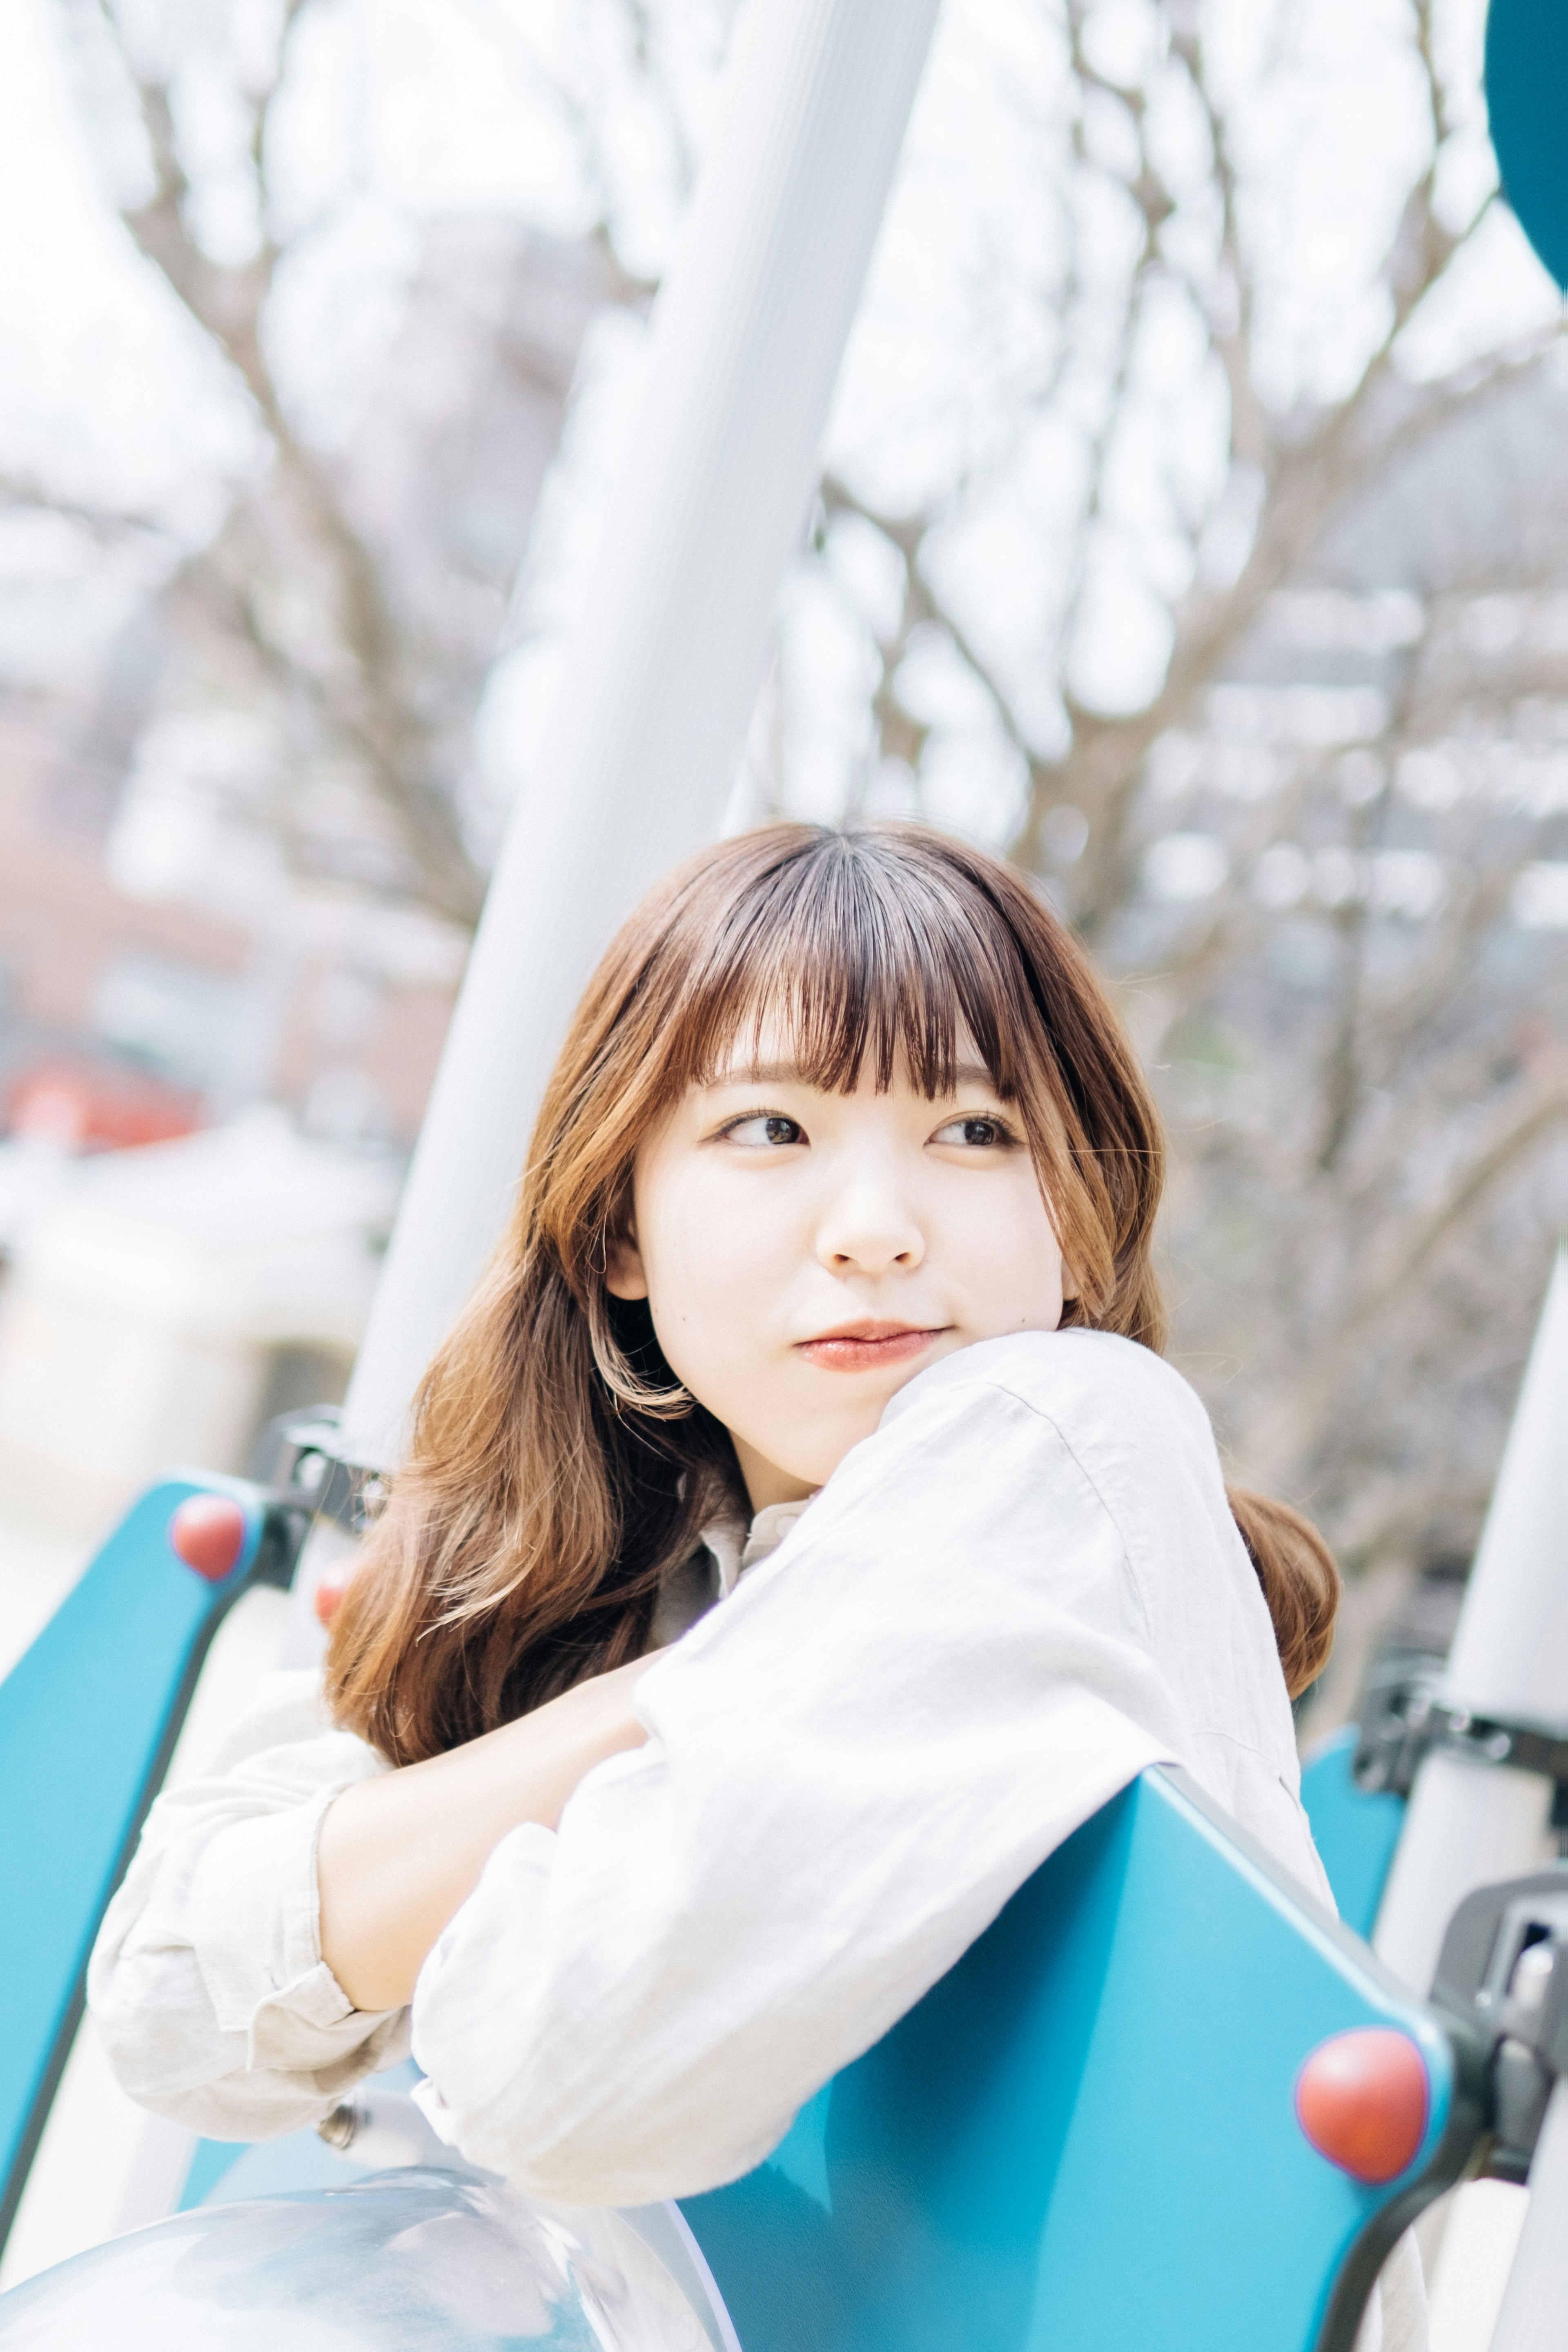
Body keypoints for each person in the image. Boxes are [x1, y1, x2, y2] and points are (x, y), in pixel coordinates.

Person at [89, 822, 1419, 2343]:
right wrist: (659, 1699)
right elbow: (169, 1993)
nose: (876, 1232)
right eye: (772, 1132)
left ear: (1077, 1200)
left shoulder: (1065, 1440)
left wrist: (518, 1819)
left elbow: (561, 2071)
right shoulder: (642, 1591)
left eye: (977, 1131)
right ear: (616, 1235)